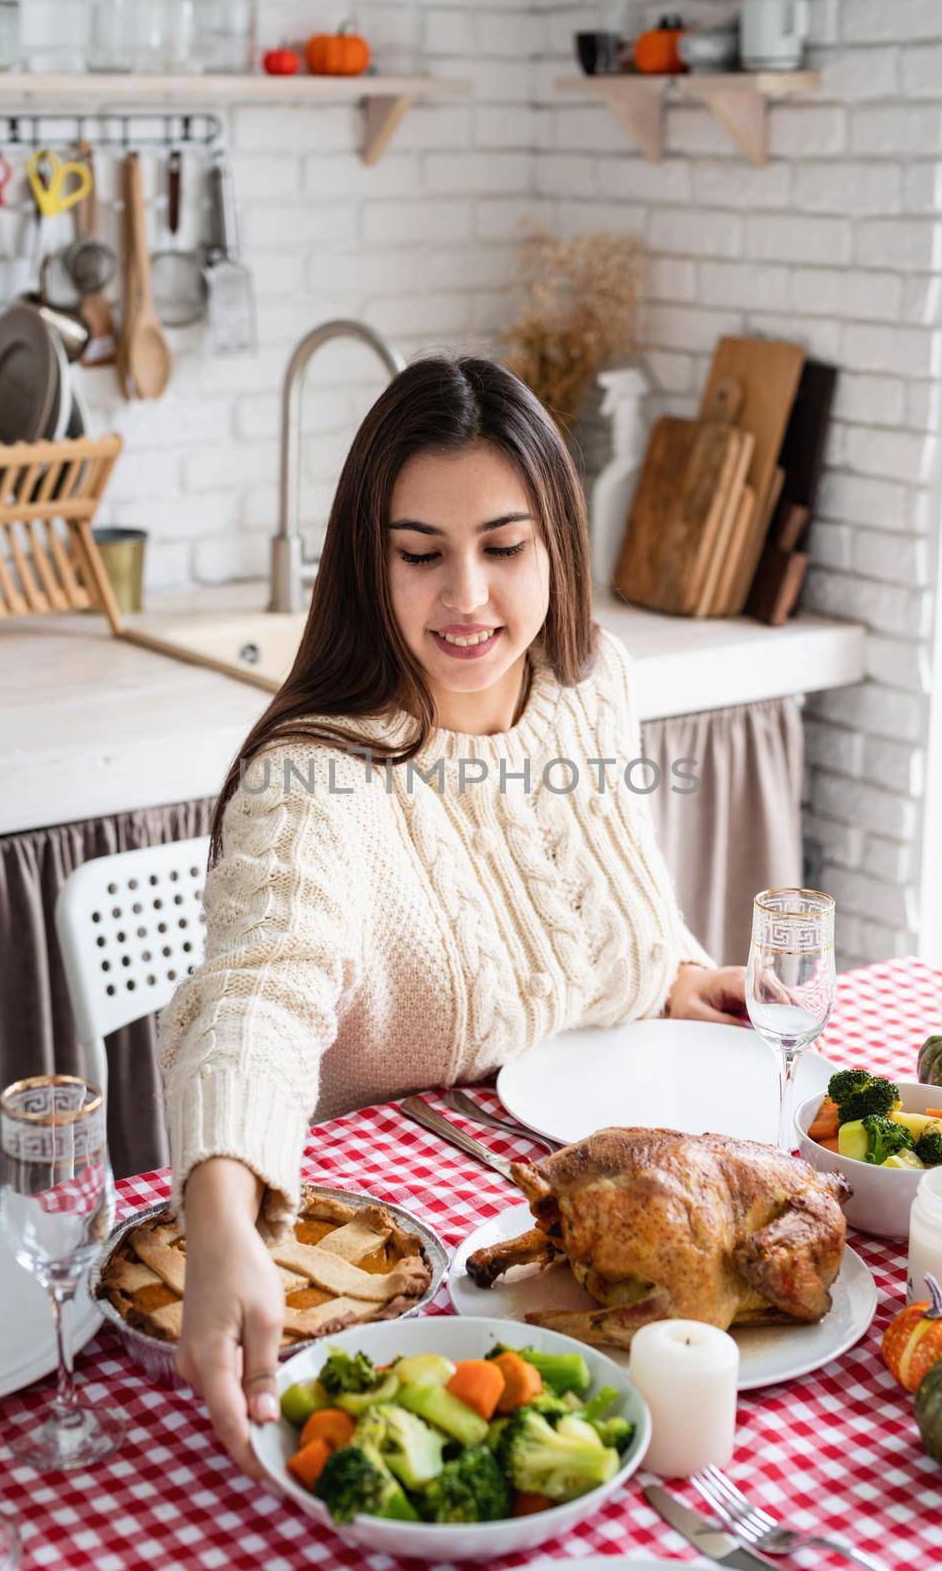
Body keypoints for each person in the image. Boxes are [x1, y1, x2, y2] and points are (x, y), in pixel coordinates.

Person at [156, 356, 747, 1478]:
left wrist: (675, 972)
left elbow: (592, 895)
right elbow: (254, 1004)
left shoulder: (590, 684)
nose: (467, 595)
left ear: (557, 543)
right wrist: (226, 1218)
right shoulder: (314, 778)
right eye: (422, 553)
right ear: (369, 562)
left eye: (505, 546)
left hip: (575, 1240)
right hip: (393, 1278)